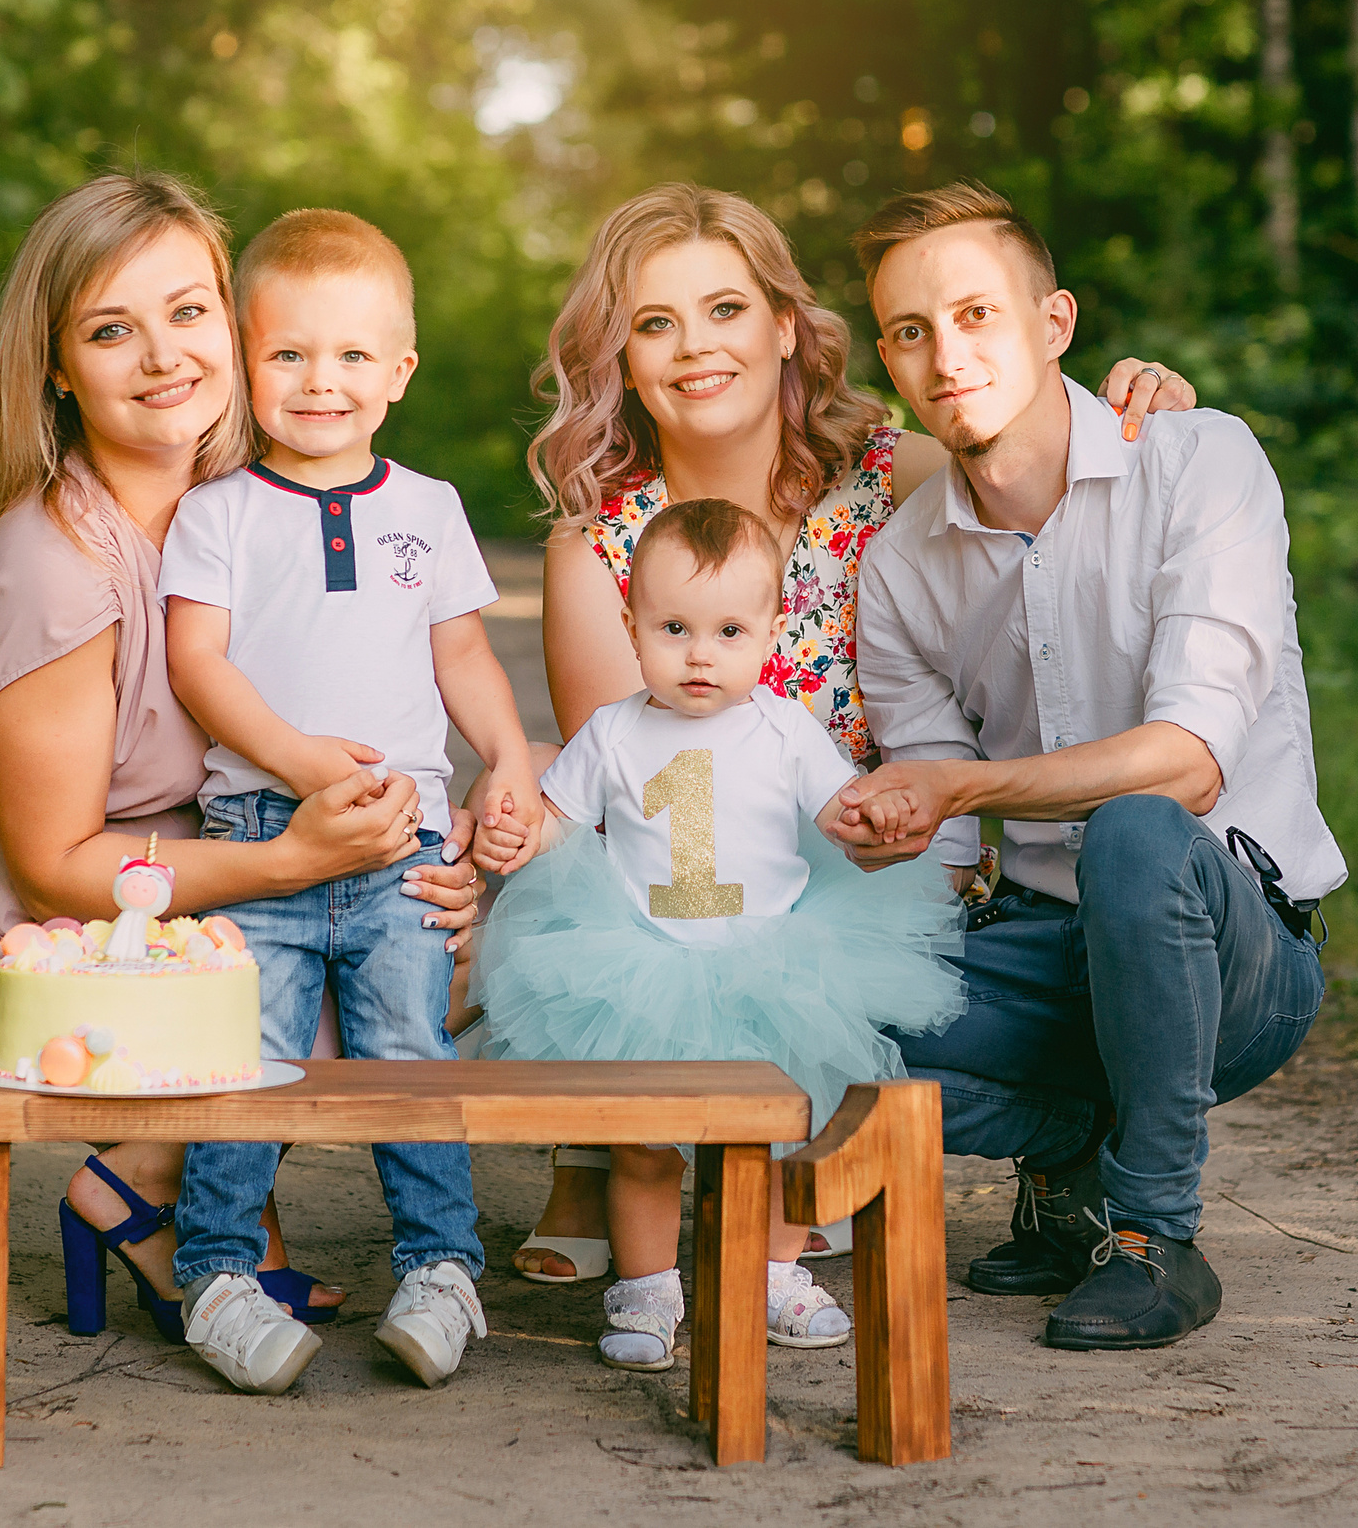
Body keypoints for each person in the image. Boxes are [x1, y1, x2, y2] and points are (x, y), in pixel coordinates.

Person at [509, 181, 1202, 1282]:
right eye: (655, 323)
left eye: (726, 310)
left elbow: (1040, 457)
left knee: (873, 1014)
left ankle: (813, 1146)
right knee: (587, 874)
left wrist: (1141, 398)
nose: (696, 346)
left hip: (872, 865)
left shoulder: (898, 474)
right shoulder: (601, 535)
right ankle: (608, 1144)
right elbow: (624, 767)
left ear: (786, 326)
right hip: (685, 868)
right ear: (623, 360)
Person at [0, 174, 485, 1343]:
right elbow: (54, 866)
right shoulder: (57, 573)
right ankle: (137, 1183)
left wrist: (424, 826)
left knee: (443, 928)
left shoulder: (242, 507)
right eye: (108, 330)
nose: (162, 355)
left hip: (214, 863)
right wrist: (297, 860)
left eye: (187, 312)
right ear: (55, 367)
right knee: (337, 961)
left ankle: (217, 1193)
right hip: (77, 935)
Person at [832, 181, 1344, 1352]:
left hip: (1231, 956)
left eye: (975, 314)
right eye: (909, 331)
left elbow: (1188, 767)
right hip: (1044, 954)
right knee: (817, 1008)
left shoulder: (1199, 461)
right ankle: (1070, 1161)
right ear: (888, 359)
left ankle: (1153, 1233)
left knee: (1136, 827)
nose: (945, 356)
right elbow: (942, 856)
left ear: (1053, 321)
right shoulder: (901, 564)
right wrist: (867, 871)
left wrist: (962, 787)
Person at [160, 209, 541, 1394]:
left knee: (408, 1052)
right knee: (246, 1060)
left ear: (399, 371)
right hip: (259, 834)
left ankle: (441, 1269)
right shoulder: (220, 508)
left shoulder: (427, 506)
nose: (320, 381)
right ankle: (216, 1276)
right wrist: (300, 762)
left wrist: (508, 758)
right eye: (288, 353)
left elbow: (462, 656)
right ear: (246, 360)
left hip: (402, 839)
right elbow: (197, 664)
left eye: (351, 355)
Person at [470, 498, 964, 1369]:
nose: (700, 654)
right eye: (674, 628)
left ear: (773, 631)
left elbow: (837, 813)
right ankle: (647, 1287)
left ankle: (773, 1273)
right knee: (644, 1142)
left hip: (770, 963)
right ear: (631, 626)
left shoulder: (786, 728)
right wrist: (522, 832)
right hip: (642, 963)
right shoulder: (615, 730)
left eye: (730, 631)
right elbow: (560, 821)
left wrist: (870, 819)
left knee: (780, 1129)